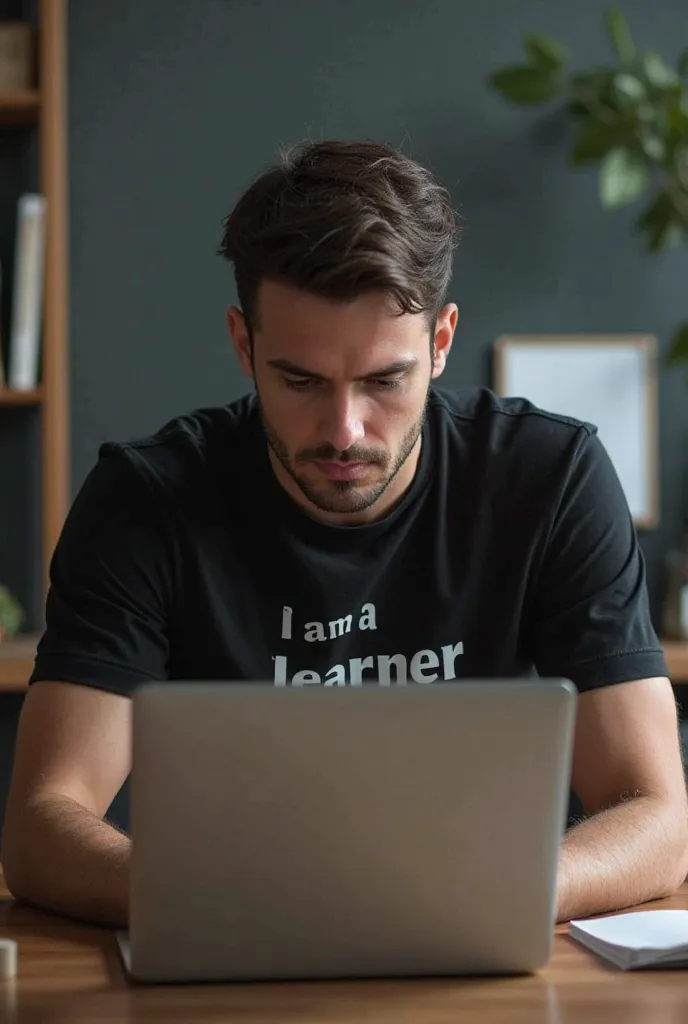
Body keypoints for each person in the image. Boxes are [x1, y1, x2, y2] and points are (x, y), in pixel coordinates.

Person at [2, 139, 687, 930]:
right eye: (299, 381)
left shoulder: (551, 477)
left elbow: (658, 817)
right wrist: (224, 903)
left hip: (475, 939)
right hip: (226, 949)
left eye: (384, 381)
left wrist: (504, 889)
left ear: (440, 343)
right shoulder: (146, 499)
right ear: (243, 344)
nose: (344, 430)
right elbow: (42, 828)